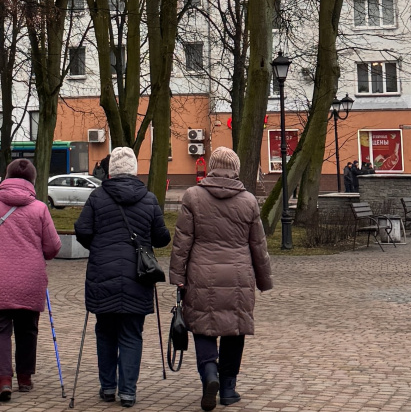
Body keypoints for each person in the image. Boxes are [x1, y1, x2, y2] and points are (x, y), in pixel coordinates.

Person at [169, 147, 273, 411]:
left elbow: (182, 242)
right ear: (235, 169)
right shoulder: (248, 200)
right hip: (239, 273)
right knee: (234, 328)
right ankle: (228, 388)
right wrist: (264, 280)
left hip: (201, 272)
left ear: (211, 167)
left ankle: (209, 374)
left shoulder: (192, 196)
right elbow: (258, 245)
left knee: (203, 324)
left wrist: (177, 276)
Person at [74, 146, 172, 408]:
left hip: (102, 274)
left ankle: (107, 387)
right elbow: (163, 238)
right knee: (131, 333)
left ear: (110, 171)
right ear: (133, 170)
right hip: (138, 276)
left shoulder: (97, 197)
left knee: (105, 332)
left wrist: (99, 246)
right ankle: (128, 391)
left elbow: (82, 230)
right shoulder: (149, 199)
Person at [0, 159, 62, 402]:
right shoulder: (40, 208)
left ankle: (3, 381)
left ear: (6, 177)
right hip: (30, 278)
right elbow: (52, 248)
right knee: (27, 329)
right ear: (32, 181)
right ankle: (25, 378)